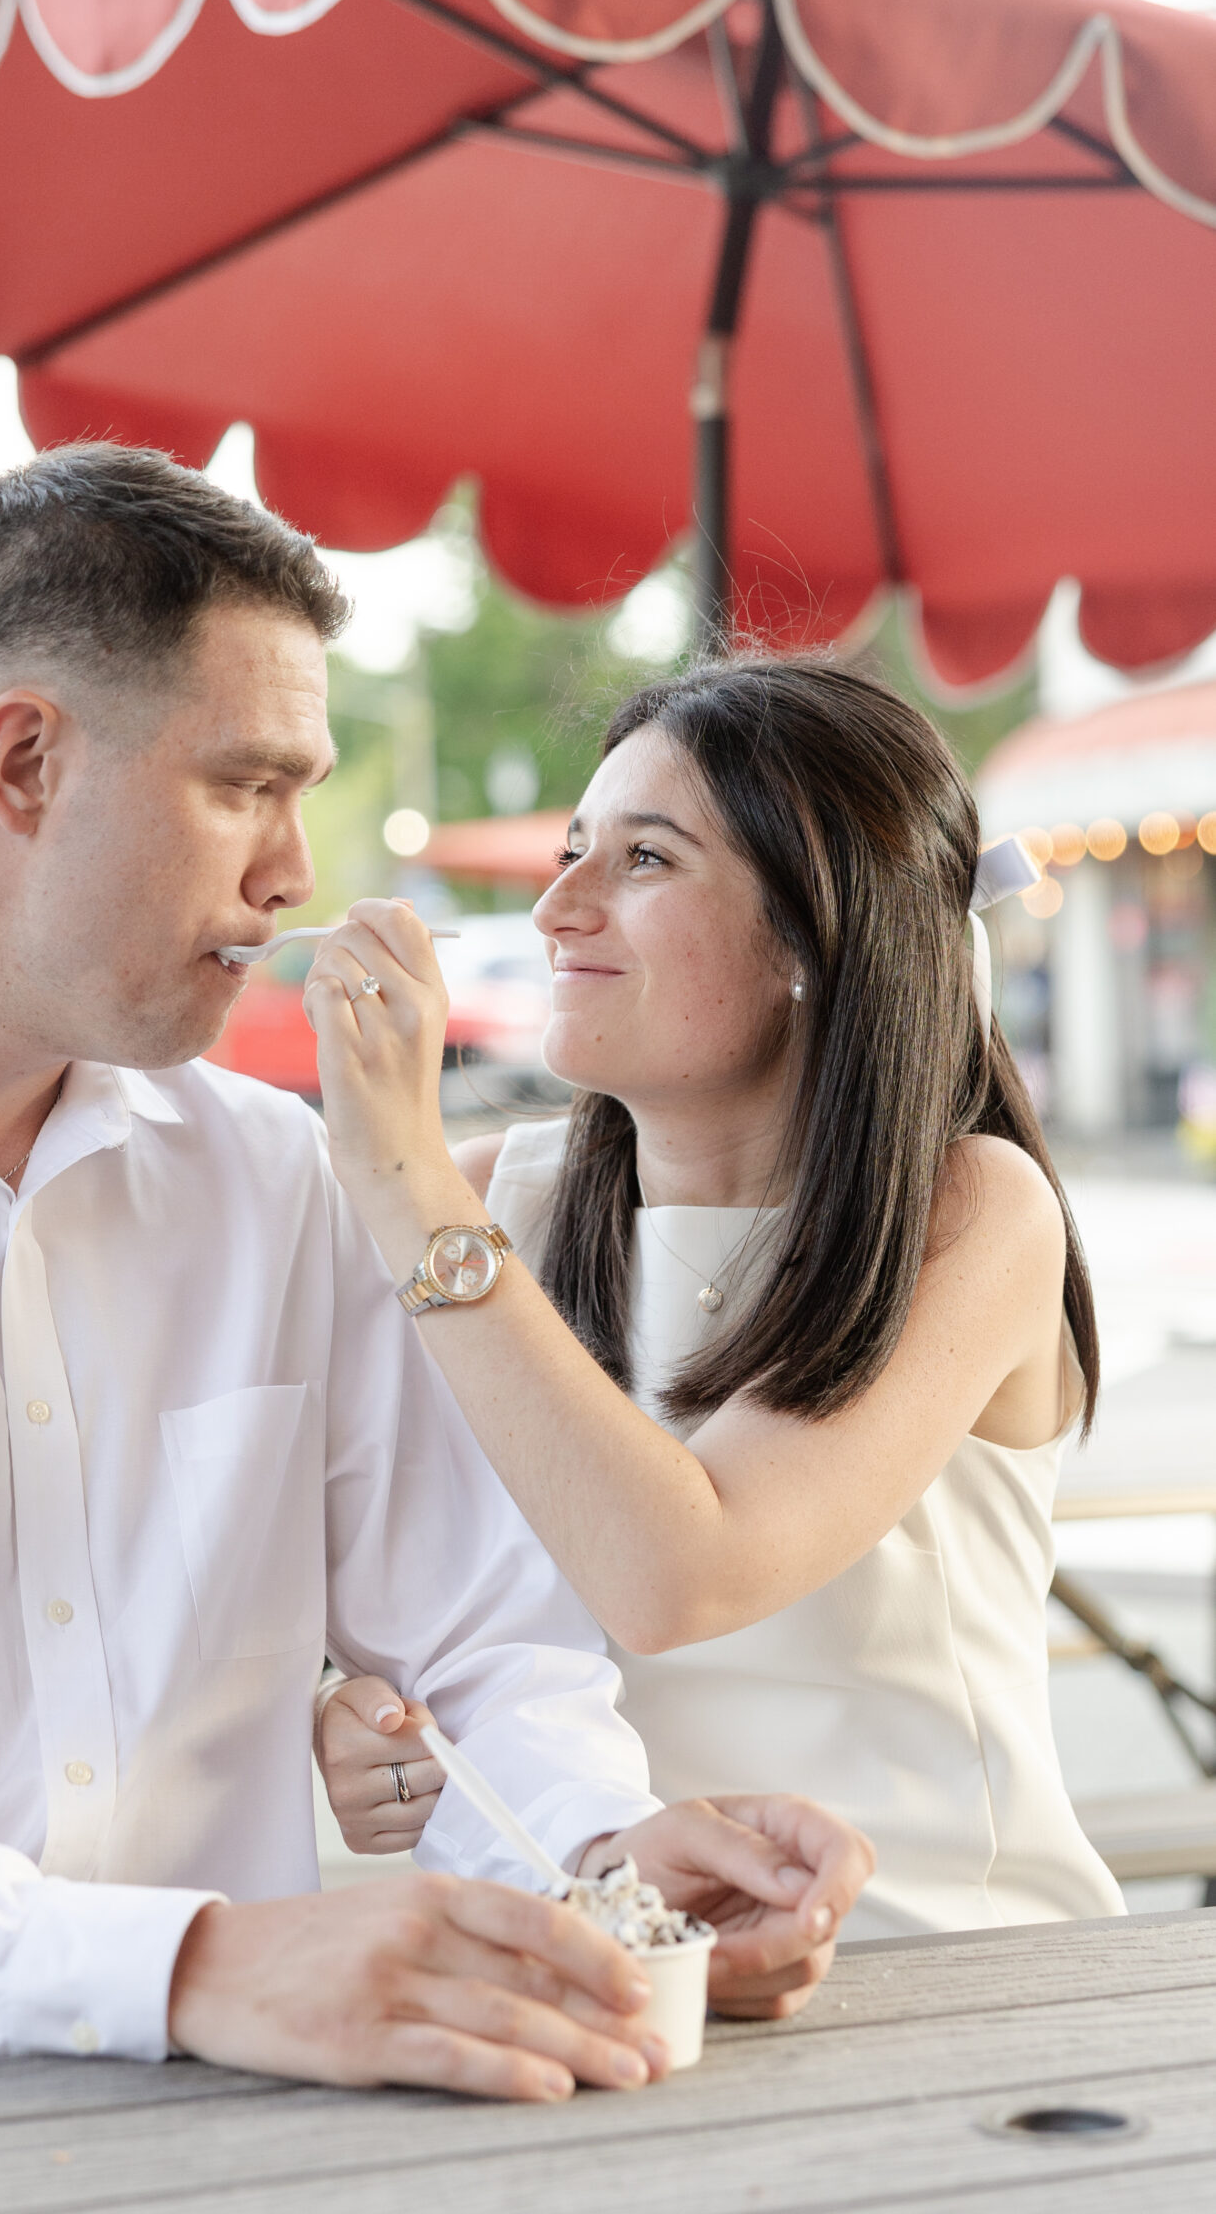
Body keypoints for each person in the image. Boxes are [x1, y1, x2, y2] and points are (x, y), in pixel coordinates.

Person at [0, 451, 871, 2096]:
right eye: (248, 784)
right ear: (24, 761)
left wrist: (597, 1861)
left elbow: (490, 1647)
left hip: (234, 2157)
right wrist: (188, 1962)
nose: (297, 871)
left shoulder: (275, 1185)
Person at [307, 656, 1123, 1941]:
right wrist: (356, 1719)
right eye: (574, 850)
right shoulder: (486, 1204)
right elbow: (366, 1584)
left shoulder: (971, 1209)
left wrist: (401, 1177)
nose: (557, 909)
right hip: (612, 1963)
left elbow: (679, 1573)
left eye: (643, 860)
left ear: (812, 932)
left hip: (948, 1963)